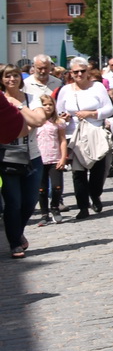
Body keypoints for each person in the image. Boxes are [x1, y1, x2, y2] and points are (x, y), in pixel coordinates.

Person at [55, 58, 113, 220]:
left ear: (88, 72)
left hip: (95, 132)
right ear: (71, 74)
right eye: (76, 72)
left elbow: (109, 108)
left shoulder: (98, 87)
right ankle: (82, 206)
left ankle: (95, 195)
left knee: (97, 170)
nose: (79, 74)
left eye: (82, 71)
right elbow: (58, 112)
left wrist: (93, 114)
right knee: (78, 173)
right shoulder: (65, 90)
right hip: (74, 135)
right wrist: (64, 118)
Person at [2, 65, 40, 258]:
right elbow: (26, 127)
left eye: (15, 75)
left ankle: (18, 231)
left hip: (32, 155)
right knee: (13, 202)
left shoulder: (31, 98)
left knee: (30, 201)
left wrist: (17, 105)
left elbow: (38, 120)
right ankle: (15, 243)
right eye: (7, 76)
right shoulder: (1, 100)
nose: (12, 79)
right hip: (7, 156)